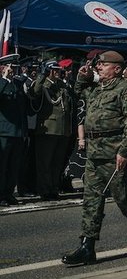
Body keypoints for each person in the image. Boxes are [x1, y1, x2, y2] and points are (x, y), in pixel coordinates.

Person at [62, 51, 127, 266]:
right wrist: (82, 75)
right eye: (98, 65)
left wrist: (124, 151)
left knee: (124, 199)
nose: (98, 67)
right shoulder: (98, 90)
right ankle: (87, 246)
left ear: (116, 68)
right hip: (95, 152)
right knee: (91, 200)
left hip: (115, 152)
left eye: (103, 65)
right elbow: (78, 92)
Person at [29, 59, 75, 200]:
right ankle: (45, 190)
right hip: (48, 130)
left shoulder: (61, 85)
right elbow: (34, 93)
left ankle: (54, 188)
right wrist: (42, 76)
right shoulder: (43, 84)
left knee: (57, 162)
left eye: (57, 69)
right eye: (53, 69)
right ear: (48, 71)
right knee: (45, 162)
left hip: (62, 130)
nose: (56, 72)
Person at [0, 55, 28, 206]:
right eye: (8, 66)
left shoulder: (17, 84)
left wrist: (24, 131)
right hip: (3, 132)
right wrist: (4, 79)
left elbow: (22, 109)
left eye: (13, 66)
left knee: (13, 166)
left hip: (17, 132)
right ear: (2, 67)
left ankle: (8, 193)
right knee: (2, 166)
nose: (12, 69)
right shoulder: (2, 83)